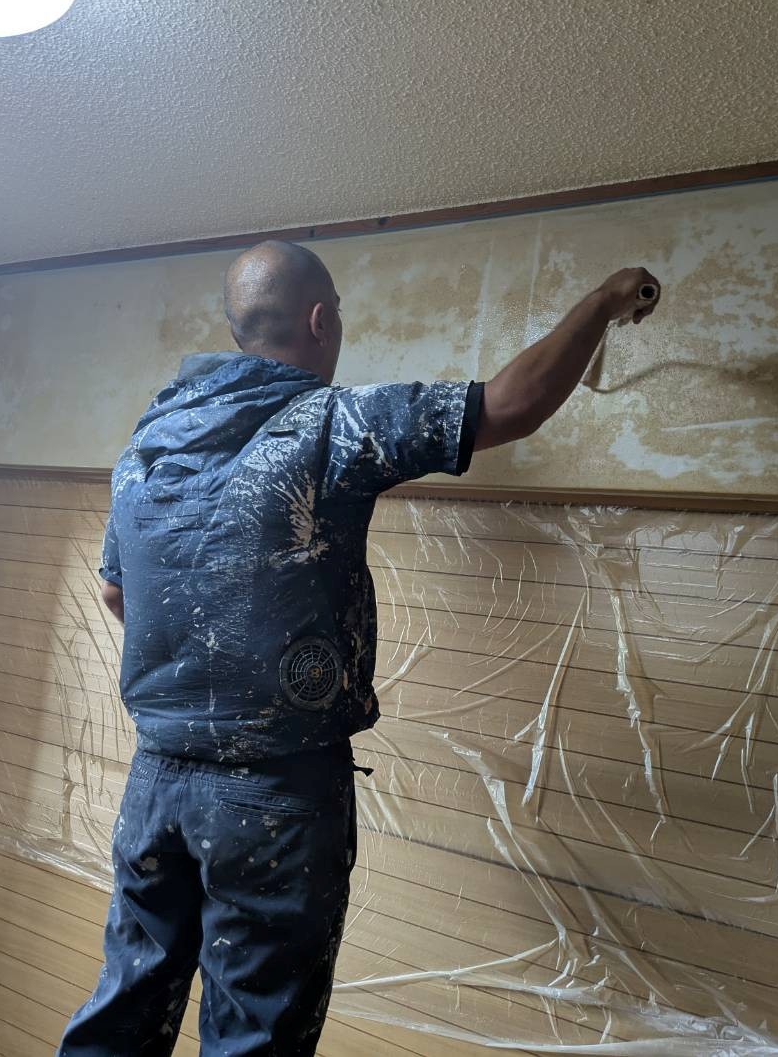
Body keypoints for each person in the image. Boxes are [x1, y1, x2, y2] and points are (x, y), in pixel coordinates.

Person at [60, 241, 659, 1056]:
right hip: (275, 792)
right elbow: (510, 405)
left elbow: (115, 592)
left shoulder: (148, 444)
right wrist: (603, 299)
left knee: (124, 1008)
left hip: (156, 782)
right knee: (254, 1033)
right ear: (320, 320)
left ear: (240, 330)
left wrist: (203, 664)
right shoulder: (329, 422)